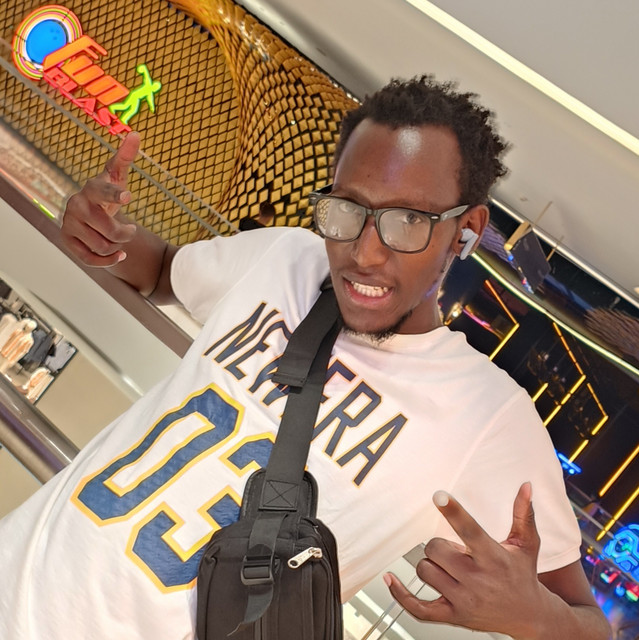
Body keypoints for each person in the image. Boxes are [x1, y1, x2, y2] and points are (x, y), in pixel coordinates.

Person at [0, 76, 611, 640]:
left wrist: (535, 617)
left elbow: (589, 625)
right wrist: (108, 238)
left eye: (407, 221)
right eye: (347, 209)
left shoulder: (485, 416)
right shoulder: (285, 259)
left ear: (467, 231)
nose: (365, 253)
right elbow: (162, 271)